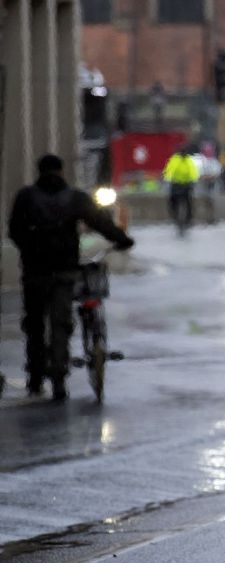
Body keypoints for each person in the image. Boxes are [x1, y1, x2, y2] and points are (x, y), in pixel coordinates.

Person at [7, 154, 135, 400]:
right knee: (60, 322)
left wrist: (30, 249)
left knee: (34, 324)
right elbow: (100, 222)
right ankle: (59, 376)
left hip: (35, 271)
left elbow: (14, 230)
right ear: (62, 171)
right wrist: (123, 239)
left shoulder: (26, 197)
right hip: (65, 269)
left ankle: (35, 379)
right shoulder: (74, 198)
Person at [162, 145, 199, 231]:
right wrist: (168, 178)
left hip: (185, 184)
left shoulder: (188, 160)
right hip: (177, 184)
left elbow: (193, 171)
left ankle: (188, 219)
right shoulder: (175, 160)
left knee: (188, 202)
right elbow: (169, 170)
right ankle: (175, 216)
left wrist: (193, 180)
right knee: (173, 201)